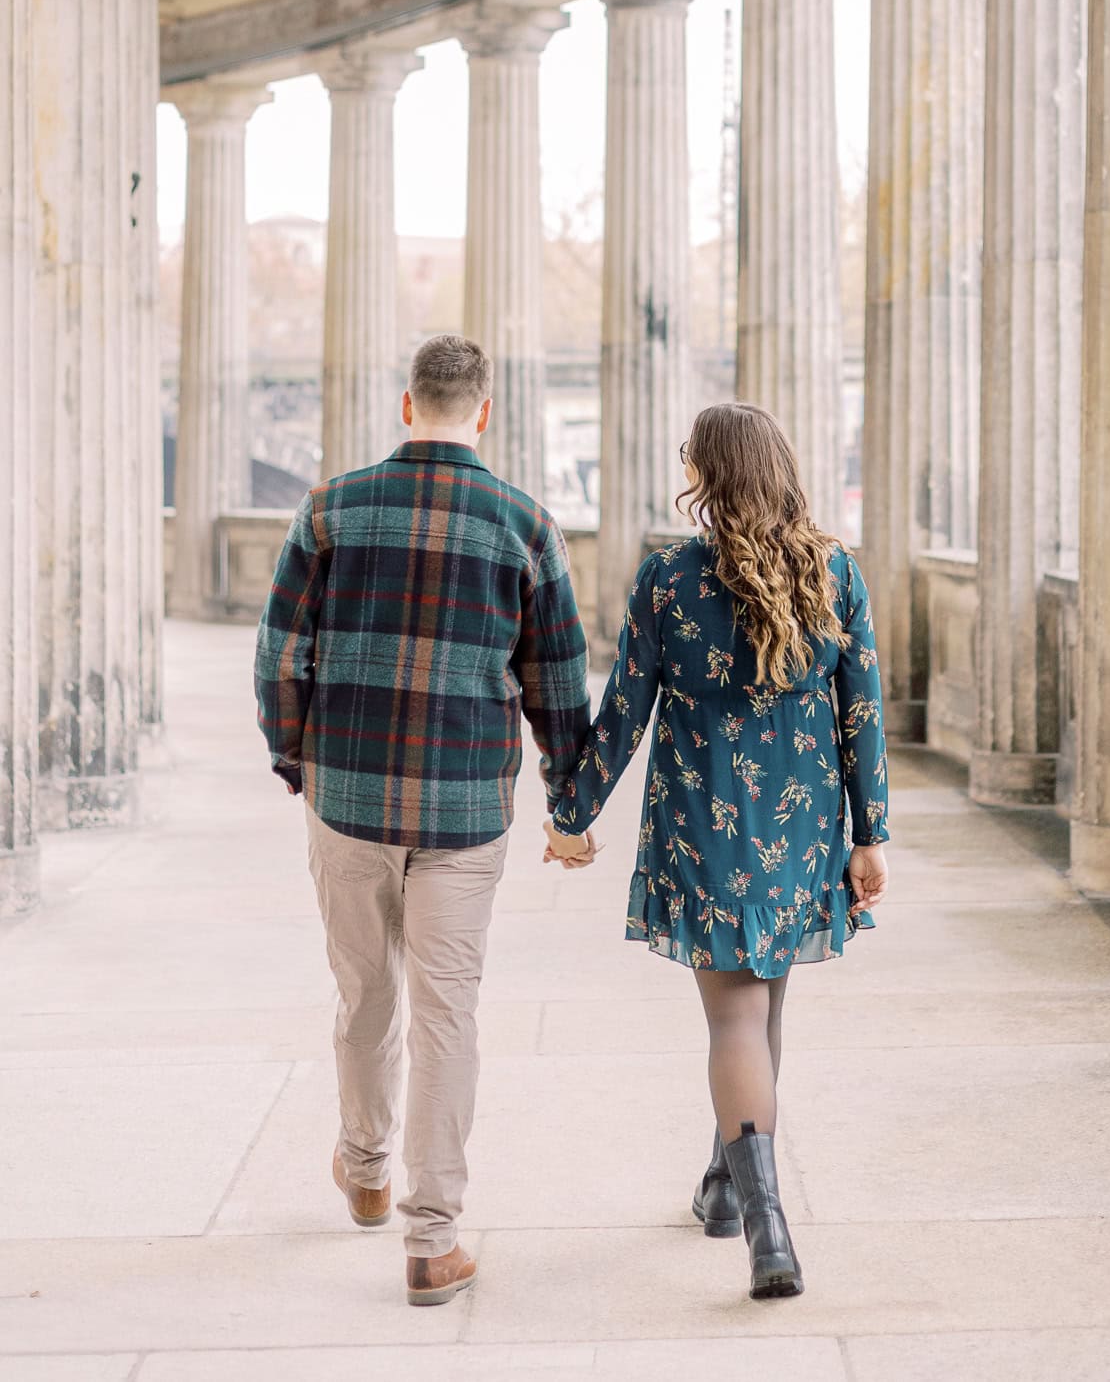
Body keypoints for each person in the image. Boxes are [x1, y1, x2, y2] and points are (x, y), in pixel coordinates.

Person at [255, 335, 591, 1306]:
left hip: (348, 799)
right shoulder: (524, 525)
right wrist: (569, 802)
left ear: (408, 406)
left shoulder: (330, 510)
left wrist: (298, 760)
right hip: (462, 811)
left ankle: (364, 1170)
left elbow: (281, 653)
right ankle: (432, 1241)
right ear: (482, 413)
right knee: (448, 1016)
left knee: (363, 995)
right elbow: (557, 686)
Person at [543, 401, 889, 1301]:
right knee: (763, 1002)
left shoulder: (667, 581)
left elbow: (622, 711)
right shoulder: (835, 572)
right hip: (803, 823)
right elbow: (863, 712)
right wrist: (870, 833)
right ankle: (728, 1189)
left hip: (704, 820)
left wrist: (571, 813)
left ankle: (768, 1230)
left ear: (703, 474)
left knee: (734, 1019)